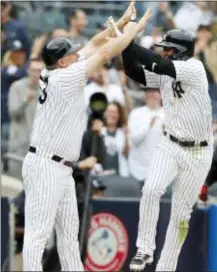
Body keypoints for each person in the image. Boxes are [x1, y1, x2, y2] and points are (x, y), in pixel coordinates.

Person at [21, 1, 152, 270]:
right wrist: (134, 31)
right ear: (62, 61)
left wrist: (124, 20)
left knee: (70, 238)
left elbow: (93, 43)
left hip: (62, 168)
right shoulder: (63, 78)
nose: (76, 53)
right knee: (37, 236)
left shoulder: (57, 69)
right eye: (70, 53)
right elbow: (104, 52)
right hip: (46, 166)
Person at [118, 12, 214, 272]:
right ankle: (144, 250)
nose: (164, 53)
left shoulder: (194, 68)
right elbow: (133, 71)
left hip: (198, 152)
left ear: (181, 52)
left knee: (181, 215)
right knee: (151, 190)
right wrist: (126, 45)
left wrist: (127, 40)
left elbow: (159, 65)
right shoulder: (167, 70)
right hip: (170, 144)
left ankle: (166, 267)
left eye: (169, 49)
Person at [8, 58, 45, 178]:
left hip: (40, 147)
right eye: (33, 70)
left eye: (39, 70)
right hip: (20, 145)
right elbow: (13, 113)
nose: (36, 74)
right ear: (28, 71)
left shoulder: (48, 89)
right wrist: (25, 100)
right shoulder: (17, 87)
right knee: (16, 186)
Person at [128, 88, 164, 185]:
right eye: (148, 92)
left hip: (161, 171)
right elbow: (134, 140)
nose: (150, 95)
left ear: (161, 95)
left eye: (154, 92)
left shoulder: (168, 114)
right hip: (138, 171)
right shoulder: (136, 113)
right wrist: (148, 126)